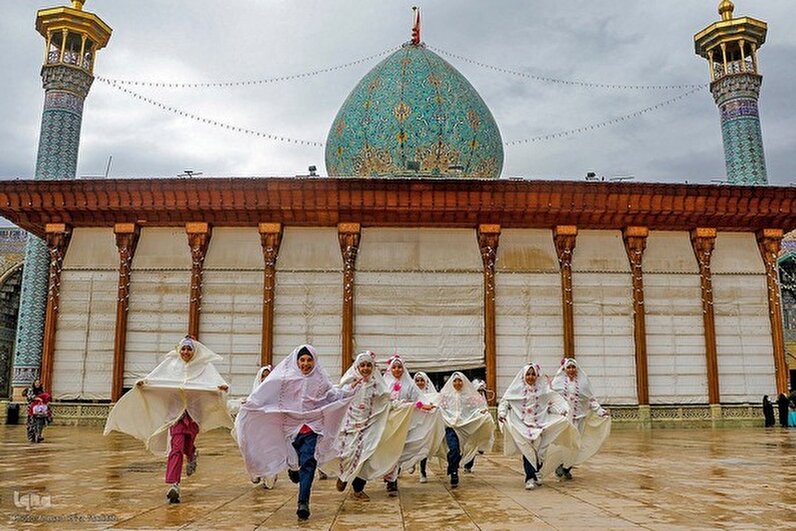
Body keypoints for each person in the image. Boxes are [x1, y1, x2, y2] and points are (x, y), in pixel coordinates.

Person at [104, 336, 232, 504]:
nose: (186, 352)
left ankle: (192, 453)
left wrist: (221, 388)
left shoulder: (204, 366)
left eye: (189, 349)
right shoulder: (171, 364)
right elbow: (156, 378)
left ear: (195, 351)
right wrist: (144, 383)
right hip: (175, 415)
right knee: (176, 448)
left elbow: (216, 383)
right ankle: (174, 484)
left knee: (187, 445)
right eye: (183, 349)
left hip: (193, 413)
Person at [235, 345, 355, 521]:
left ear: (314, 361)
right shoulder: (285, 379)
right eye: (302, 360)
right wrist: (251, 403)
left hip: (312, 427)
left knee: (309, 462)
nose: (306, 364)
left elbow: (332, 395)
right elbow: (267, 393)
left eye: (309, 360)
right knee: (296, 459)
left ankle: (303, 502)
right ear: (297, 362)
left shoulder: (321, 379)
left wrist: (350, 392)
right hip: (291, 428)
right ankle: (294, 469)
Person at [333, 352, 414, 501]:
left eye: (368, 365)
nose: (365, 368)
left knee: (367, 457)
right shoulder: (349, 382)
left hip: (371, 426)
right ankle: (343, 476)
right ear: (357, 366)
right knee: (348, 453)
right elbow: (337, 396)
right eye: (362, 365)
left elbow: (386, 403)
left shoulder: (377, 385)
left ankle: (358, 489)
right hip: (350, 425)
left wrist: (407, 406)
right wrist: (349, 388)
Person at [498, 363, 578, 489]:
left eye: (533, 374)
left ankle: (537, 471)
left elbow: (551, 404)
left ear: (537, 375)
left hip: (540, 424)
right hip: (521, 425)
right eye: (528, 374)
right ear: (524, 376)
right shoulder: (516, 390)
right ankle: (529, 478)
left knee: (540, 451)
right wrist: (502, 413)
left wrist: (560, 411)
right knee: (527, 449)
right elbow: (505, 402)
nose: (530, 377)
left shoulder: (543, 391)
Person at [382, 356, 442, 495]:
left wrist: (428, 406)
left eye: (399, 367)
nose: (397, 370)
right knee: (389, 450)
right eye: (394, 367)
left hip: (404, 422)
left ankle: (392, 481)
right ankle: (389, 475)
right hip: (388, 422)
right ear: (390, 369)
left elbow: (419, 398)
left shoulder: (409, 384)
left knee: (398, 450)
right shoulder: (384, 384)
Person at [549, 358, 610, 481]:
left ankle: (566, 468)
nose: (571, 370)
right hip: (564, 419)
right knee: (564, 444)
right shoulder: (558, 383)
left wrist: (601, 412)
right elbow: (552, 399)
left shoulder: (583, 384)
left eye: (573, 367)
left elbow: (590, 400)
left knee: (576, 445)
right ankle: (560, 465)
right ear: (564, 369)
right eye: (568, 368)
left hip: (579, 419)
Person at [437, 372, 494, 488]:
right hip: (450, 426)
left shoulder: (469, 396)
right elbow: (439, 407)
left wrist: (482, 412)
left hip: (465, 426)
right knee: (453, 449)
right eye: (455, 381)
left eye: (459, 381)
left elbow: (478, 407)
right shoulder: (446, 396)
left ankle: (453, 466)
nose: (457, 383)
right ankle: (454, 473)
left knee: (459, 451)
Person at [413, 371, 439, 482]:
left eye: (422, 380)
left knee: (423, 448)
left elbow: (437, 405)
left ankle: (422, 472)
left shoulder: (433, 395)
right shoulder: (412, 394)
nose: (419, 383)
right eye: (417, 380)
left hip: (426, 425)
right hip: (413, 424)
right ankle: (411, 463)